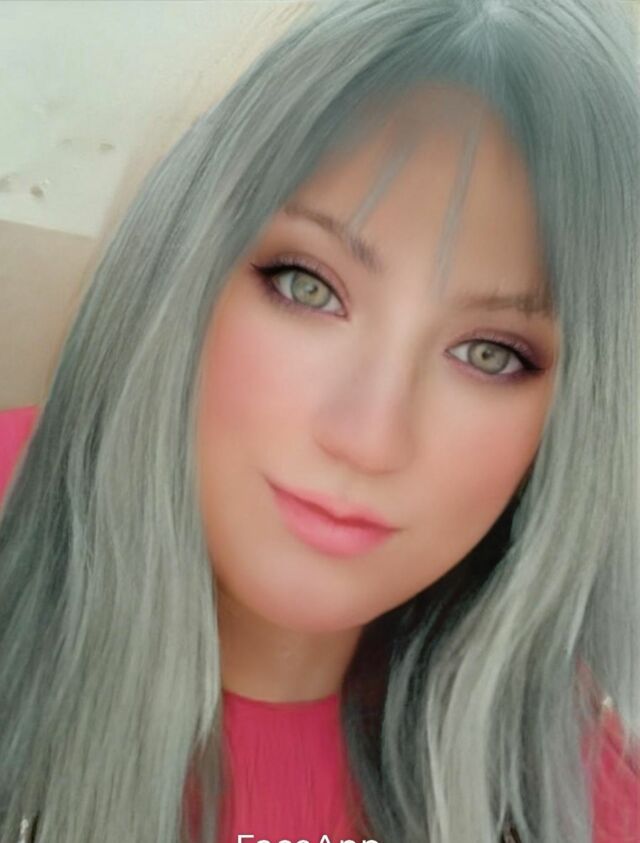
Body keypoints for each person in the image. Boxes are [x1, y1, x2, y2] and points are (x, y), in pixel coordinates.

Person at [0, 0, 639, 841]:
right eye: (308, 286)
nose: (367, 437)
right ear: (187, 265)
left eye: (491, 354)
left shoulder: (575, 799)